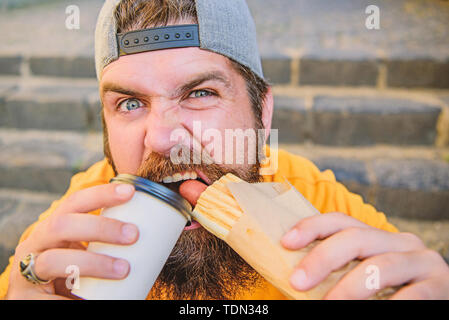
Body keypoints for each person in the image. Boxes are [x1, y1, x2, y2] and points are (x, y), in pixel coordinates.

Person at [1, 0, 448, 300]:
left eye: (199, 93)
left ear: (262, 112)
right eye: (130, 103)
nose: (162, 138)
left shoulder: (314, 204)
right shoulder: (74, 235)